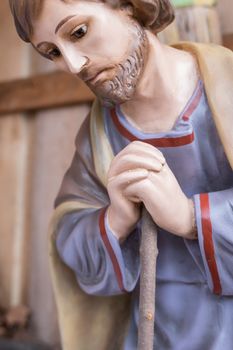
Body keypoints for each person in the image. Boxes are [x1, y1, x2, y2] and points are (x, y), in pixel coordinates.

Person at [9, 0, 233, 349]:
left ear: (128, 6)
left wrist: (191, 218)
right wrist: (115, 220)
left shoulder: (226, 87)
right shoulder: (99, 134)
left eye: (79, 32)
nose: (73, 65)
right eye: (52, 51)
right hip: (150, 333)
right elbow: (68, 228)